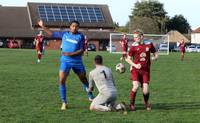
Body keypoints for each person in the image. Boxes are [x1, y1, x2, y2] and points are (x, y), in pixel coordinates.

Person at [37, 20, 94, 110]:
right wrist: (42, 26)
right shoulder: (64, 34)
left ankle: (90, 96)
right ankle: (64, 102)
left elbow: (81, 50)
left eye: (76, 26)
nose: (74, 28)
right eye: (73, 26)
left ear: (78, 28)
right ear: (70, 27)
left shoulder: (80, 36)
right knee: (61, 81)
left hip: (77, 62)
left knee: (83, 79)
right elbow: (51, 33)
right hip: (65, 61)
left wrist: (70, 54)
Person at [125, 29, 158, 111]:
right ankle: (132, 104)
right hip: (135, 70)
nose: (135, 39)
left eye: (136, 37)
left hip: (145, 71)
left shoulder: (149, 44)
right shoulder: (133, 46)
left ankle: (146, 103)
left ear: (142, 37)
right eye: (134, 37)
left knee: (145, 90)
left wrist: (154, 58)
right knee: (135, 86)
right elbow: (127, 59)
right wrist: (135, 65)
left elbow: (156, 54)